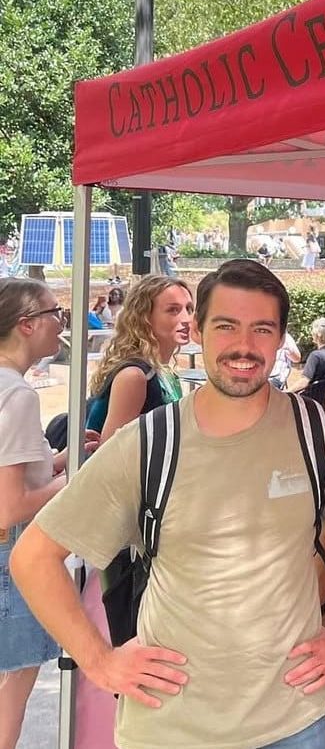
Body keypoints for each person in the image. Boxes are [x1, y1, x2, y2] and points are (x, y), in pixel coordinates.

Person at [11, 259, 325, 749]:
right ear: (199, 331)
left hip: (296, 723)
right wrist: (100, 662)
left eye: (261, 328)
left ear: (280, 338)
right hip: (171, 729)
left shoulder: (319, 432)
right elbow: (33, 558)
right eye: (226, 326)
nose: (244, 346)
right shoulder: (149, 442)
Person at [0, 280, 96, 747]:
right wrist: (80, 479)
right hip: (11, 552)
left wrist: (64, 460)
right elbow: (11, 504)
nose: (63, 322)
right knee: (12, 688)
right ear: (27, 324)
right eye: (56, 311)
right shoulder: (17, 396)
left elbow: (18, 472)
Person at [86, 276, 192, 441]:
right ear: (145, 317)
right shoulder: (134, 376)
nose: (186, 319)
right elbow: (110, 452)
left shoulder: (166, 372)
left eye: (189, 309)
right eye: (173, 310)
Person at [294, 318, 325, 388]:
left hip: (306, 397)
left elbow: (303, 382)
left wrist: (285, 393)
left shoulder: (315, 356)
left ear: (317, 336)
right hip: (321, 397)